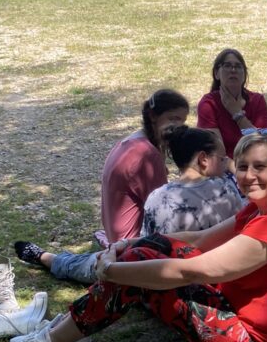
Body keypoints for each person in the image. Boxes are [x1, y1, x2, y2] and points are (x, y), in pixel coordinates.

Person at [0, 131, 267, 342]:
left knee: (139, 271)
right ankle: (66, 332)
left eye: (260, 167)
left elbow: (193, 270)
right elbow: (200, 238)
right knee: (151, 248)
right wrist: (130, 244)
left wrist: (112, 270)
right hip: (233, 308)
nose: (248, 176)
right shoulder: (264, 206)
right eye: (243, 166)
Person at [14, 88, 190, 285]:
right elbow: (162, 214)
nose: (179, 126)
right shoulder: (147, 155)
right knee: (96, 267)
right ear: (153, 116)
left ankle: (53, 258)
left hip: (118, 237)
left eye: (182, 121)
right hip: (129, 249)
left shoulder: (132, 141)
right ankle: (47, 258)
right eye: (173, 119)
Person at [141, 126, 244, 235]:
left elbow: (147, 240)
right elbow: (242, 227)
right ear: (203, 159)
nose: (225, 164)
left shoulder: (156, 197)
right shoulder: (225, 188)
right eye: (222, 159)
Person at [196, 48, 267, 157]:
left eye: (238, 66)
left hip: (258, 160)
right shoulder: (208, 104)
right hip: (225, 165)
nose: (233, 70)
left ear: (244, 74)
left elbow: (266, 144)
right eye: (227, 65)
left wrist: (237, 114)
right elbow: (216, 154)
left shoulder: (257, 100)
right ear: (216, 73)